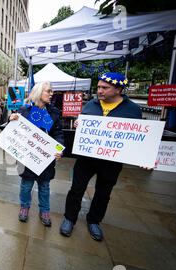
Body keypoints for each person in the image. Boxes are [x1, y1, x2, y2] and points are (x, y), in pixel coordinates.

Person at [60, 72, 142, 241]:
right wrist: (78, 124)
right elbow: (84, 126)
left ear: (118, 89)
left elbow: (139, 138)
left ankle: (94, 221)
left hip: (111, 162)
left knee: (103, 193)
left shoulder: (132, 110)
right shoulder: (91, 105)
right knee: (76, 188)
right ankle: (69, 218)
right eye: (98, 87)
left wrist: (144, 157)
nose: (100, 91)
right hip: (86, 159)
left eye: (105, 88)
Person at [9, 81, 64, 226]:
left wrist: (59, 149)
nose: (51, 94)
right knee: (26, 185)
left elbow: (58, 134)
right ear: (39, 92)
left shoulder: (54, 112)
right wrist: (11, 120)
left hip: (46, 159)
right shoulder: (24, 110)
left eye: (51, 91)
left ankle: (44, 210)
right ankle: (24, 207)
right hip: (27, 158)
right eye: (48, 91)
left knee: (44, 187)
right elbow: (13, 132)